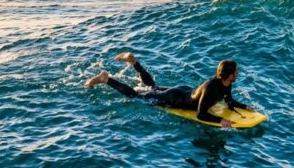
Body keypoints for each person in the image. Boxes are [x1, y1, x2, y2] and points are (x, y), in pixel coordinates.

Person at [85, 53, 253, 128]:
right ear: (228, 74)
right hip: (175, 98)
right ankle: (105, 79)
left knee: (152, 87)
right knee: (136, 96)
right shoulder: (211, 87)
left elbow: (228, 101)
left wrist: (244, 106)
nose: (237, 73)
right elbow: (201, 114)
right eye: (236, 71)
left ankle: (133, 61)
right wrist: (220, 121)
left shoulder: (226, 84)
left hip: (185, 92)